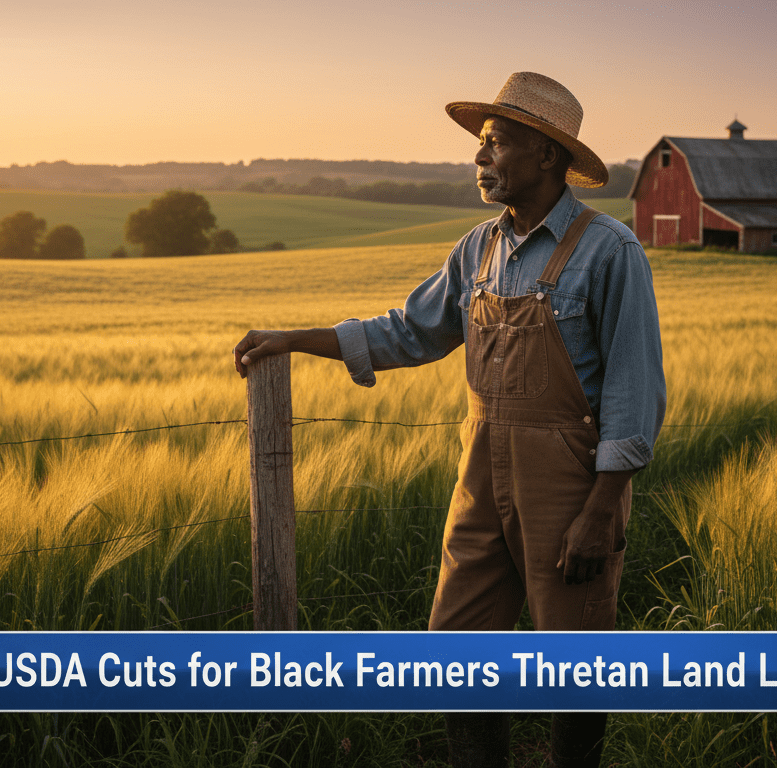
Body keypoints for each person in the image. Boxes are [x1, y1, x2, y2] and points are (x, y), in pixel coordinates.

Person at [232, 72, 665, 768]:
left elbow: (634, 391)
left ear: (546, 155)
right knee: (457, 647)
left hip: (569, 485)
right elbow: (409, 331)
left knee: (576, 659)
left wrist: (601, 509)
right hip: (480, 475)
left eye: (497, 143)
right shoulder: (477, 249)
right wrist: (295, 339)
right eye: (481, 143)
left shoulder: (609, 251)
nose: (480, 157)